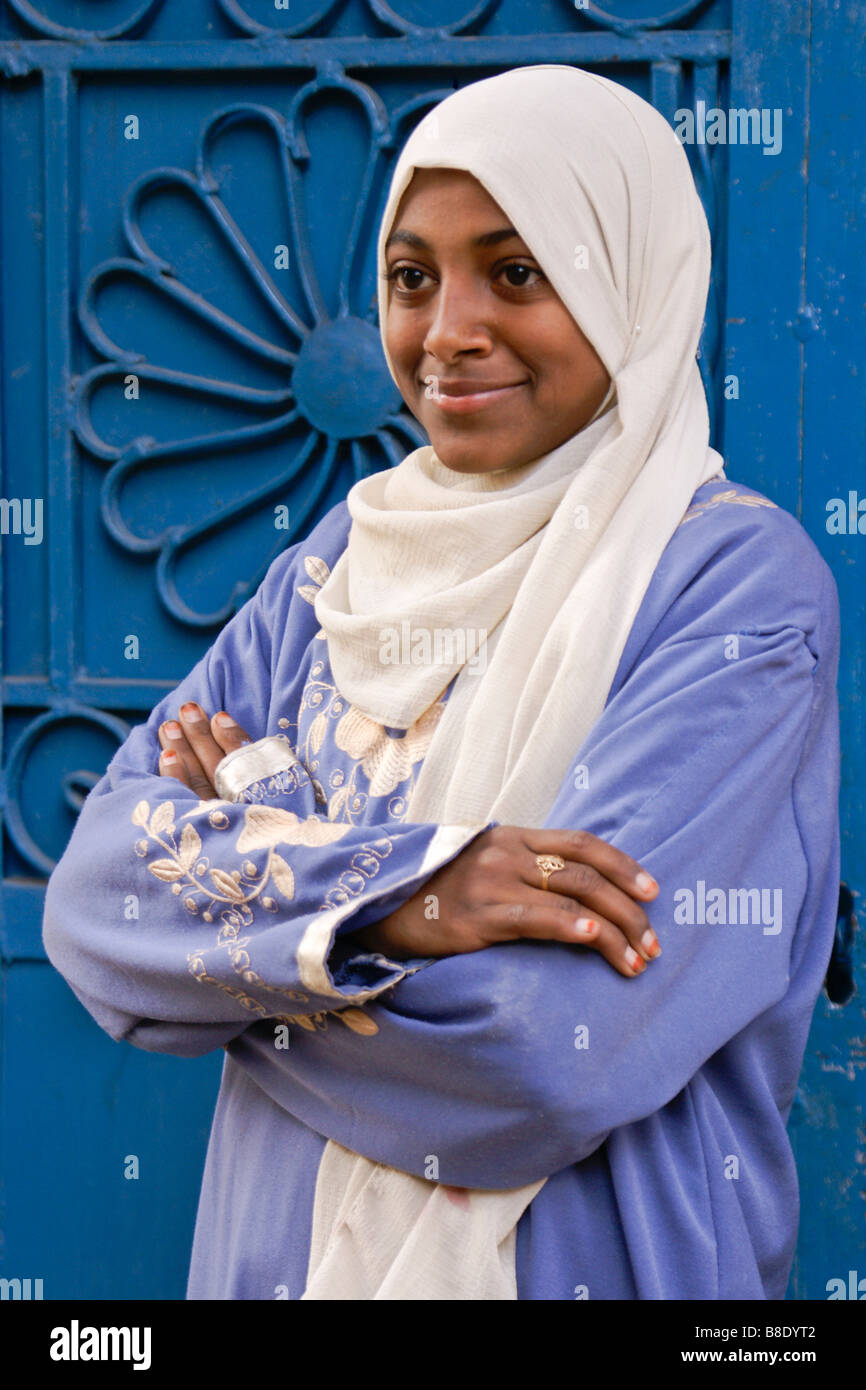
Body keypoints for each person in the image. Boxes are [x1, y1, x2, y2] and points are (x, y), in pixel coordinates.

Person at [42, 64, 840, 1301]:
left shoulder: (730, 585)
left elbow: (545, 1054)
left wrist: (258, 896)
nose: (446, 332)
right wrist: (407, 896)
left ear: (625, 283)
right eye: (412, 278)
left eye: (515, 274)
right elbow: (94, 908)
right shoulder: (336, 569)